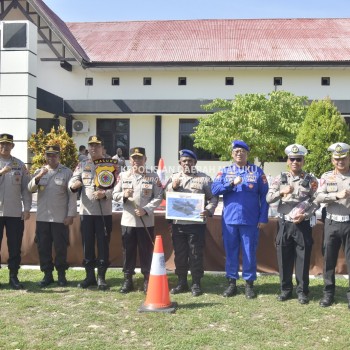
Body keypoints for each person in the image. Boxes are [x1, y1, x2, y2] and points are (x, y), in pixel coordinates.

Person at [211, 140, 269, 299]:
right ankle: (232, 283)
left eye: (242, 151)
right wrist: (230, 183)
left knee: (249, 252)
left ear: (247, 154)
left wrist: (263, 217)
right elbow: (214, 189)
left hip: (250, 220)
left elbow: (265, 196)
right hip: (229, 220)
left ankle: (249, 285)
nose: (239, 153)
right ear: (232, 154)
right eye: (236, 151)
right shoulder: (225, 171)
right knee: (231, 252)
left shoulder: (257, 172)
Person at [266, 144, 319, 304]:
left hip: (302, 224)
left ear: (303, 161)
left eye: (298, 159)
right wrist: (281, 192)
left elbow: (316, 201)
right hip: (284, 223)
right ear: (287, 161)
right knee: (283, 258)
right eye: (292, 159)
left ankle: (302, 292)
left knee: (303, 259)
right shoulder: (279, 178)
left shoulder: (311, 180)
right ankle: (285, 290)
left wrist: (306, 214)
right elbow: (269, 198)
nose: (295, 161)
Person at [165, 149, 218, 296]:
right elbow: (164, 195)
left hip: (196, 224)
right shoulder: (174, 177)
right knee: (180, 254)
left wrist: (208, 210)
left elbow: (213, 198)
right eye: (184, 161)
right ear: (179, 163)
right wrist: (173, 187)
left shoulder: (204, 178)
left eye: (190, 160)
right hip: (178, 223)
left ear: (195, 162)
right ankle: (182, 282)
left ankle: (196, 283)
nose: (187, 163)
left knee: (195, 254)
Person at [112, 147, 163, 293]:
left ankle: (147, 278)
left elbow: (159, 197)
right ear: (130, 160)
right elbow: (114, 194)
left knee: (146, 251)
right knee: (128, 251)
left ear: (145, 159)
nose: (136, 161)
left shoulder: (153, 177)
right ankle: (128, 279)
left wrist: (146, 209)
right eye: (134, 158)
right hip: (128, 221)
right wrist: (123, 195)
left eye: (139, 158)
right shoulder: (123, 176)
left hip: (145, 222)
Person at [69, 135, 116, 290]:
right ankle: (89, 276)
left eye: (97, 145)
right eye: (91, 146)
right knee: (87, 245)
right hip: (86, 213)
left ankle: (101, 277)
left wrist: (106, 194)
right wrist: (73, 185)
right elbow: (73, 180)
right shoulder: (82, 164)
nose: (94, 148)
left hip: (104, 213)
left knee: (103, 245)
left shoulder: (112, 165)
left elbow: (118, 186)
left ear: (102, 148)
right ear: (88, 148)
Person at [28, 145, 77, 287]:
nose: (51, 158)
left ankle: (61, 275)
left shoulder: (67, 172)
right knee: (43, 247)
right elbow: (30, 188)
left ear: (59, 156)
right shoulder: (39, 171)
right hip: (43, 217)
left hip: (59, 218)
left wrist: (70, 215)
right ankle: (47, 275)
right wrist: (39, 176)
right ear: (45, 157)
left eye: (54, 155)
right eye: (49, 155)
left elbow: (72, 196)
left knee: (61, 248)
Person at [315, 142, 350, 308]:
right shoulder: (326, 177)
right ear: (332, 160)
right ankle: (328, 293)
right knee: (329, 259)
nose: (340, 161)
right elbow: (319, 197)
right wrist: (336, 195)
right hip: (331, 222)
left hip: (349, 223)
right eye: (337, 158)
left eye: (343, 158)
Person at [0, 133, 32, 289]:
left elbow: (26, 189)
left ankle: (13, 276)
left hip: (14, 212)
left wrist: (27, 208)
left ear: (12, 146)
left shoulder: (19, 164)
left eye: (8, 144)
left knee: (14, 246)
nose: (4, 147)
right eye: (2, 144)